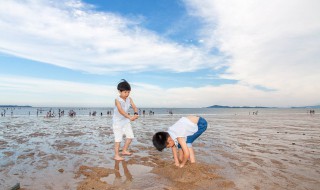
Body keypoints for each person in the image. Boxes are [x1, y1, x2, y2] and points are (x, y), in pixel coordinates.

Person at [112, 79, 139, 160]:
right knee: (118, 139)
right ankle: (116, 155)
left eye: (128, 92)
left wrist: (135, 114)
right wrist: (130, 117)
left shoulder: (129, 99)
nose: (127, 94)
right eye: (125, 92)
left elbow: (134, 107)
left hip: (125, 120)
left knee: (130, 136)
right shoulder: (117, 100)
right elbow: (121, 111)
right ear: (120, 92)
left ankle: (124, 150)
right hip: (117, 122)